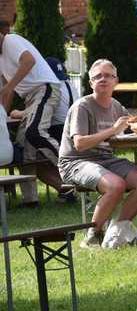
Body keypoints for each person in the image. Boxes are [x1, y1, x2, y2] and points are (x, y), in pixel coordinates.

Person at [58, 59, 137, 248]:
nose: (103, 79)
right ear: (91, 83)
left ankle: (116, 230)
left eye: (108, 76)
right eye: (97, 76)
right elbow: (79, 144)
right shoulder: (82, 106)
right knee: (116, 185)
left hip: (105, 159)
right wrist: (113, 130)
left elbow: (130, 127)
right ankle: (93, 236)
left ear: (116, 81)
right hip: (75, 162)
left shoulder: (116, 106)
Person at [0, 20, 61, 206]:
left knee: (35, 132)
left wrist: (10, 86)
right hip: (30, 98)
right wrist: (3, 113)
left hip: (45, 89)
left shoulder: (11, 40)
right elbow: (5, 92)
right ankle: (30, 199)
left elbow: (29, 61)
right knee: (22, 147)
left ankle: (72, 163)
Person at [10, 56, 80, 202]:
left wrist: (18, 113)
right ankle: (66, 188)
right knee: (32, 150)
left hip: (58, 133)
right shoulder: (71, 86)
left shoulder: (50, 88)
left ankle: (63, 189)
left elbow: (38, 113)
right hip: (74, 133)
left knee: (29, 155)